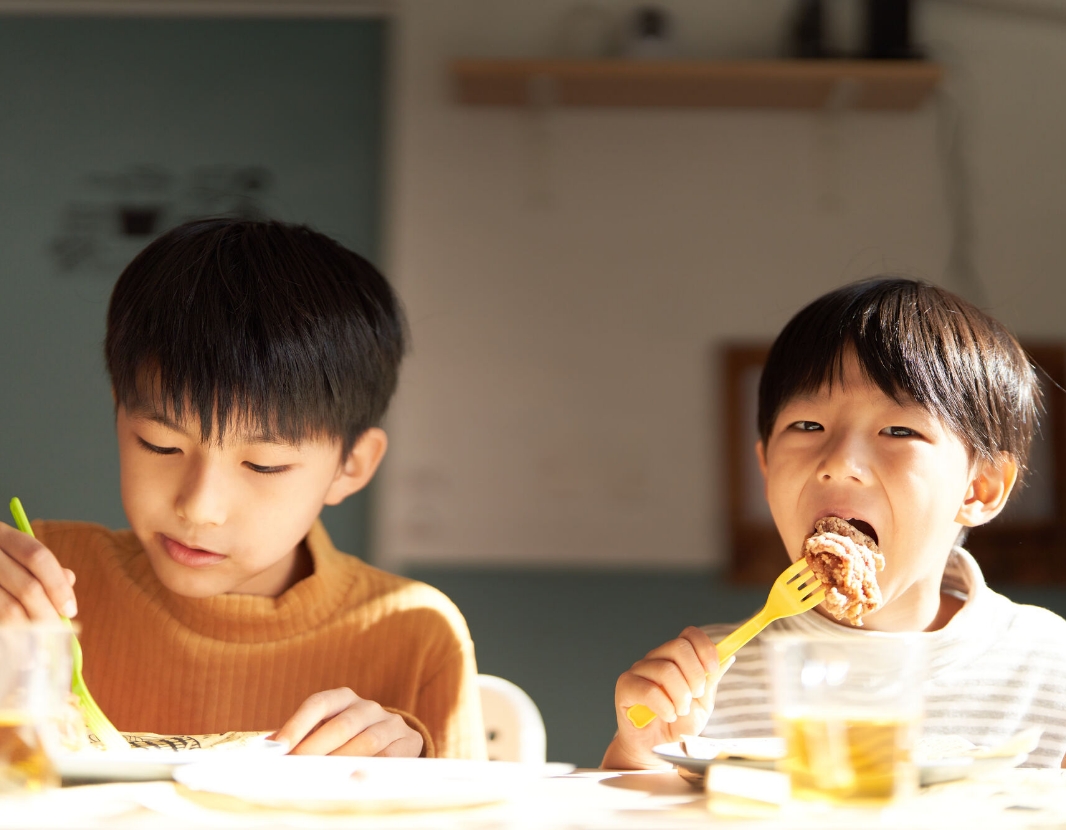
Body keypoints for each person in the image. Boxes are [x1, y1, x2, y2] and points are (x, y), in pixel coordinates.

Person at [0, 218, 485, 760]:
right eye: (160, 445)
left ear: (351, 464)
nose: (199, 507)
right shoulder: (36, 582)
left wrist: (411, 781)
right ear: (119, 410)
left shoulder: (412, 632)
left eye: (264, 464)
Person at [602, 277, 1066, 770]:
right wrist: (640, 754)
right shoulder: (705, 684)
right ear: (765, 467)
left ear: (980, 488)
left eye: (898, 430)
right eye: (807, 426)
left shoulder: (1048, 666)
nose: (840, 461)